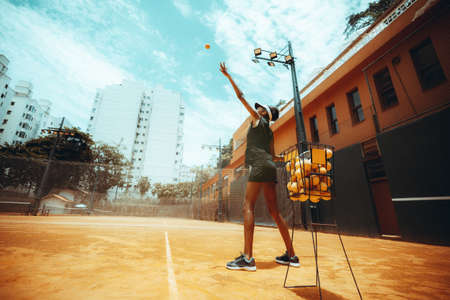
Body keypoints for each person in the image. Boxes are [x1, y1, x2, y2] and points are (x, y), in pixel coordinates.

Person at [219, 62, 299, 271]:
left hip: (259, 165)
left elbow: (240, 97)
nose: (258, 109)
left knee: (248, 206)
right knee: (274, 211)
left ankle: (247, 258)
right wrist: (285, 158)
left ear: (265, 113)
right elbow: (274, 156)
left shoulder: (257, 120)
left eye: (261, 108)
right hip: (270, 166)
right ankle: (291, 255)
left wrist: (228, 76)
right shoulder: (270, 132)